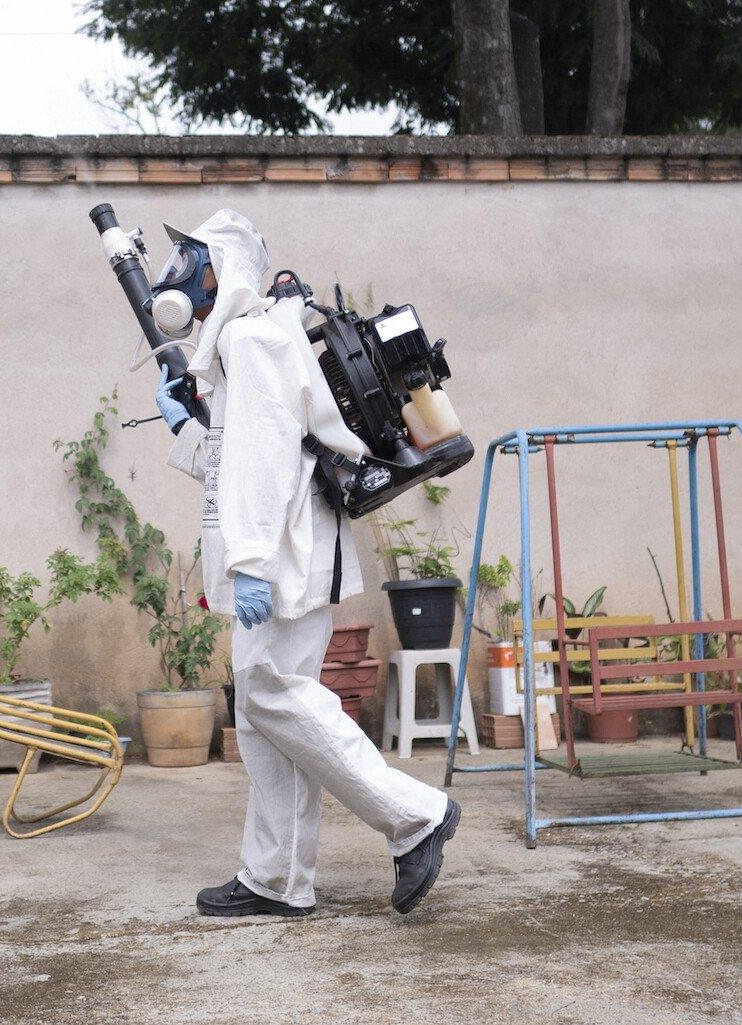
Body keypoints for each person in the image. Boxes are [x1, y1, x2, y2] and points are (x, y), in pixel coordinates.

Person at [150, 210, 460, 918]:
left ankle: (415, 817)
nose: (176, 275)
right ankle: (276, 878)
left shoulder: (254, 339)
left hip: (283, 558)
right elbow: (237, 463)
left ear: (219, 268)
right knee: (264, 721)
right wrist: (185, 430)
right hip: (276, 555)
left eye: (188, 257)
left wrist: (251, 562)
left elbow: (263, 467)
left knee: (269, 694)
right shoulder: (241, 344)